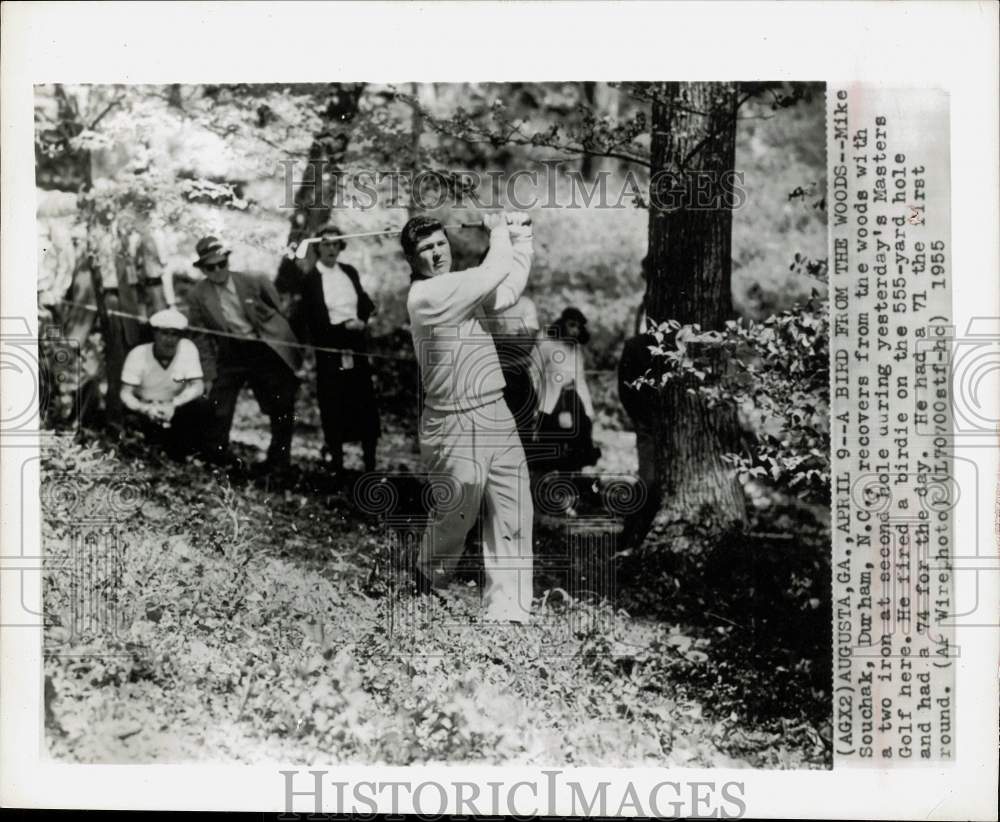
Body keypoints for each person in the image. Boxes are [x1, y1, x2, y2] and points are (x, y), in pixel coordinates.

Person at [403, 211, 534, 622]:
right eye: (425, 249)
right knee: (455, 516)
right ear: (413, 260)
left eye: (440, 243)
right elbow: (494, 268)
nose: (436, 253)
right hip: (453, 422)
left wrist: (521, 237)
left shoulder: (462, 289)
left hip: (494, 410)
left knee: (513, 509)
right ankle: (424, 585)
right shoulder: (428, 295)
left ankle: (507, 609)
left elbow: (507, 288)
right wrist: (498, 231)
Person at [184, 235, 302, 474]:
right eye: (210, 267)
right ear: (203, 269)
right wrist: (207, 372)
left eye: (221, 264)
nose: (217, 270)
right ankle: (216, 458)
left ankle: (278, 463)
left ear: (228, 260)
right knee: (218, 401)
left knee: (280, 403)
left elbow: (276, 310)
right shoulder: (198, 295)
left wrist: (281, 344)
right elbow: (200, 336)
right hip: (231, 351)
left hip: (262, 347)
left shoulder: (253, 281)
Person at [301, 222, 381, 474]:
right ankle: (337, 464)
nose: (331, 249)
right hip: (330, 348)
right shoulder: (311, 279)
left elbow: (366, 302)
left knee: (364, 403)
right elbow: (314, 321)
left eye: (336, 243)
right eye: (326, 243)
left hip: (355, 346)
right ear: (318, 247)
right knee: (334, 403)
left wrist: (362, 321)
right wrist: (343, 328)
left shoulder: (349, 271)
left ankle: (370, 466)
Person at [119, 308, 205, 460]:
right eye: (164, 333)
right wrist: (145, 408)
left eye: (175, 334)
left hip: (174, 409)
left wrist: (174, 404)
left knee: (201, 406)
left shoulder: (187, 348)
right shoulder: (138, 354)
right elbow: (125, 393)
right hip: (145, 409)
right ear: (155, 333)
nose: (169, 340)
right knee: (136, 443)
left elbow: (198, 386)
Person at [533, 307, 601, 476]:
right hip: (551, 403)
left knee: (578, 446)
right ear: (562, 324)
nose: (575, 330)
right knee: (550, 448)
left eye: (578, 327)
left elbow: (581, 380)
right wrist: (536, 401)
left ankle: (571, 489)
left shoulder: (576, 350)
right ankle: (547, 491)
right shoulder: (547, 345)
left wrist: (589, 410)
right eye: (571, 325)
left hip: (574, 401)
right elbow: (533, 372)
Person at [617, 326, 661, 553]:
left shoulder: (684, 342)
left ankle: (635, 536)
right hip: (648, 425)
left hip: (673, 426)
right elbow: (625, 390)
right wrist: (643, 420)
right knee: (649, 480)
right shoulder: (635, 346)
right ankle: (629, 538)